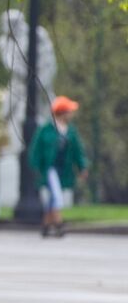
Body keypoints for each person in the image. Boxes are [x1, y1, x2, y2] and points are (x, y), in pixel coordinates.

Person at [30, 95, 89, 238]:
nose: (71, 114)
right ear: (62, 112)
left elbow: (78, 151)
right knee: (56, 196)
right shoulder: (46, 129)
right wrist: (36, 167)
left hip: (63, 170)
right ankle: (59, 224)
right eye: (69, 111)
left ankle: (45, 225)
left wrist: (82, 167)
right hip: (49, 169)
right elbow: (35, 150)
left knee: (53, 197)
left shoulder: (70, 131)